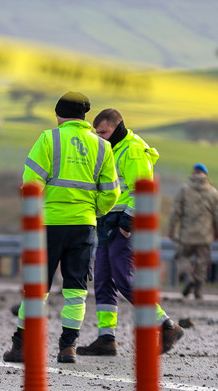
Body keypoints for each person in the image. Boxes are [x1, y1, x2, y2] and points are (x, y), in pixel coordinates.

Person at [3, 91, 119, 364]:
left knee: (36, 288)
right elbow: (112, 192)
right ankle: (68, 347)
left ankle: (22, 346)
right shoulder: (103, 146)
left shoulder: (49, 138)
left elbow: (31, 185)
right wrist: (94, 210)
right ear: (84, 117)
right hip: (83, 225)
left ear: (58, 115)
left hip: (49, 224)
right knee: (76, 290)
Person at [77, 109, 183, 356]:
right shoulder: (109, 149)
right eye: (97, 133)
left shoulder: (132, 150)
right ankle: (106, 338)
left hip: (125, 224)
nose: (100, 137)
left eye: (104, 132)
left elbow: (142, 191)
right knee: (103, 280)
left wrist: (127, 225)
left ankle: (166, 325)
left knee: (124, 278)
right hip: (107, 223)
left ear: (118, 126)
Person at [168, 163, 218, 299]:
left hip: (186, 234)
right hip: (205, 234)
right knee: (202, 262)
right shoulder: (213, 192)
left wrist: (171, 229)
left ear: (193, 173)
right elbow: (216, 215)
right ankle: (199, 290)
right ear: (205, 175)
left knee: (183, 256)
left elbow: (175, 212)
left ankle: (189, 277)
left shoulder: (184, 190)